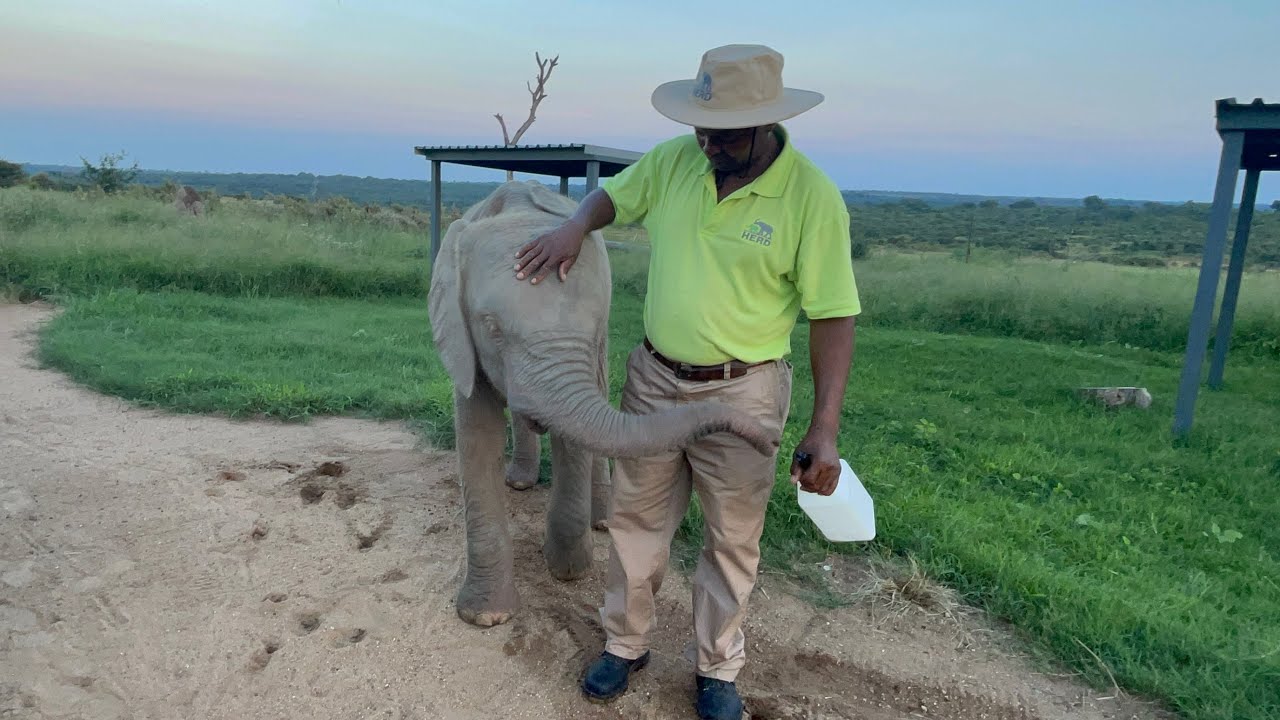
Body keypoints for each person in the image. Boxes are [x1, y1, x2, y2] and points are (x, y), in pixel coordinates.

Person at [512, 43, 861, 720]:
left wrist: (825, 426)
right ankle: (625, 644)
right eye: (702, 129)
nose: (708, 144)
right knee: (635, 519)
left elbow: (834, 315)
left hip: (744, 391)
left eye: (724, 134)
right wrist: (576, 226)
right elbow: (614, 196)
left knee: (732, 537)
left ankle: (716, 667)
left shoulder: (811, 197)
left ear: (765, 124)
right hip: (654, 380)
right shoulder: (676, 160)